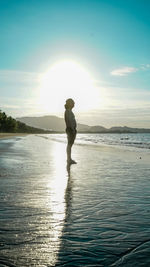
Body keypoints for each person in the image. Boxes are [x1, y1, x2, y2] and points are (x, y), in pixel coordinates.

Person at [64, 98, 77, 164]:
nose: (74, 104)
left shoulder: (68, 111)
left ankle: (69, 159)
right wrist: (72, 129)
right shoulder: (68, 111)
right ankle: (69, 159)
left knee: (70, 145)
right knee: (69, 144)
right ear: (70, 104)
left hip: (70, 129)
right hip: (70, 129)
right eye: (73, 103)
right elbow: (69, 121)